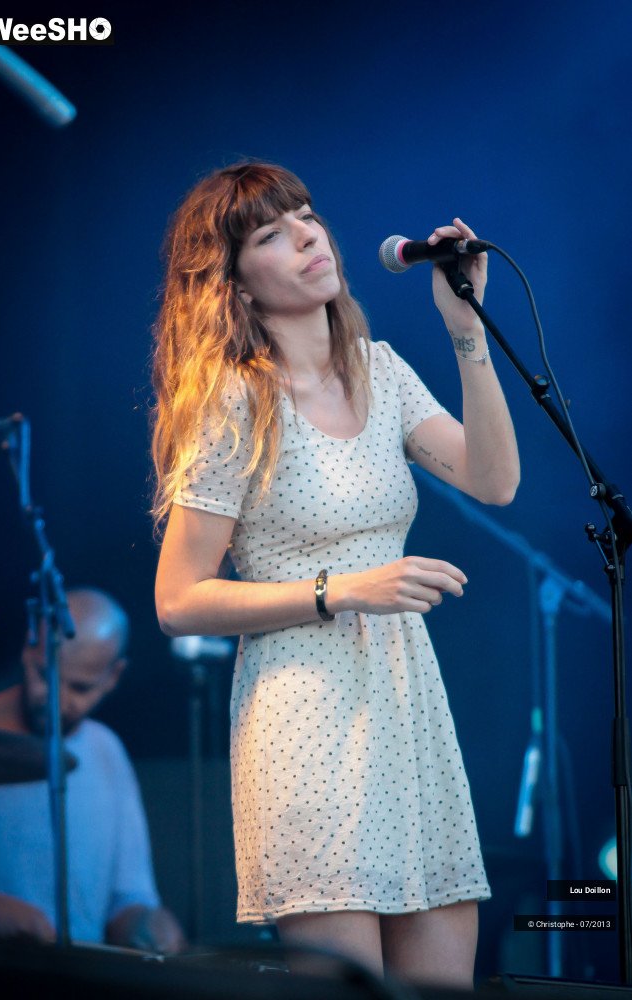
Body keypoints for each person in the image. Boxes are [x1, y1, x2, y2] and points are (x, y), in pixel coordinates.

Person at [151, 162, 520, 988]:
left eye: (308, 217)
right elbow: (177, 601)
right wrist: (340, 589)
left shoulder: (378, 368)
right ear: (236, 286)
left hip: (406, 705)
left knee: (442, 988)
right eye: (272, 235)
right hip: (304, 716)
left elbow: (494, 481)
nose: (307, 236)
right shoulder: (232, 403)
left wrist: (466, 329)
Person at [0, 587, 186, 953]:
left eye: (78, 687)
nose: (53, 697)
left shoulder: (107, 751)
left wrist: (147, 923)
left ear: (113, 676)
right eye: (44, 674)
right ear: (28, 648)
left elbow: (127, 899)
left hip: (75, 980)